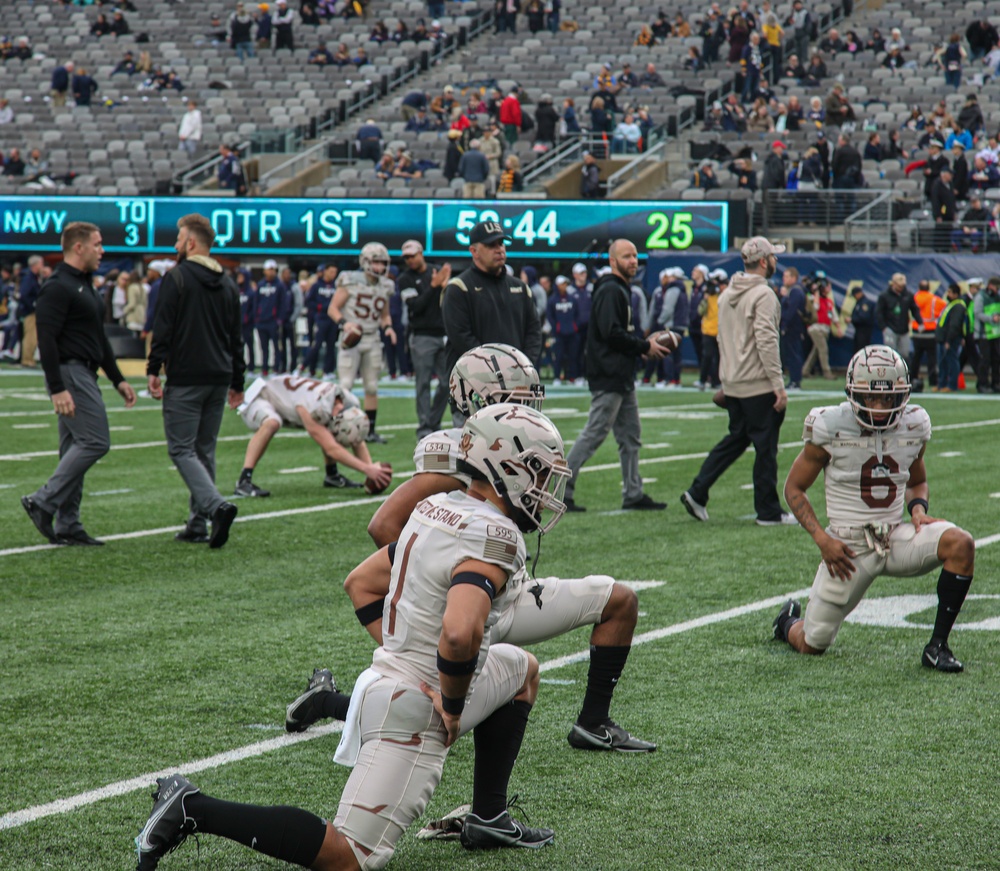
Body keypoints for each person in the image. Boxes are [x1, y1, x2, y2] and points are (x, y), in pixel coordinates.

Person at [135, 404, 568, 870]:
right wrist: (454, 705)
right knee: (350, 857)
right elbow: (460, 635)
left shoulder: (436, 507)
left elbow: (360, 582)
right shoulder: (494, 535)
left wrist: (403, 649)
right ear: (506, 467)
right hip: (418, 704)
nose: (544, 489)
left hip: (390, 680)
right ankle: (192, 809)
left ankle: (490, 816)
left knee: (522, 670)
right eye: (538, 473)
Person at [357, 345, 655, 754]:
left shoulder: (508, 444)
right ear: (482, 400)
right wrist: (443, 589)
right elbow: (385, 525)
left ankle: (594, 723)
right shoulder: (462, 454)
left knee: (620, 600)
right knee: (442, 688)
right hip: (477, 602)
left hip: (510, 590)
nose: (528, 409)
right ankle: (332, 702)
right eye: (518, 400)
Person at [773, 345, 975, 673]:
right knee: (812, 644)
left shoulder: (914, 424)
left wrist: (918, 510)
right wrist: (822, 540)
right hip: (847, 549)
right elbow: (794, 488)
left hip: (894, 537)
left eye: (889, 398)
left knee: (961, 544)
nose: (880, 408)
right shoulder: (830, 425)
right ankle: (786, 623)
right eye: (871, 398)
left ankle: (938, 647)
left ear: (903, 395)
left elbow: (916, 481)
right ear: (854, 393)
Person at [20, 222, 137, 547]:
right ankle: (43, 501)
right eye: (97, 245)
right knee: (96, 441)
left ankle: (68, 523)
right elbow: (47, 338)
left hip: (85, 372)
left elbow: (98, 339)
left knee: (74, 447)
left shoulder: (85, 285)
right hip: (70, 372)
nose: (103, 251)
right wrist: (57, 386)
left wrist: (118, 379)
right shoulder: (58, 286)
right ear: (78, 247)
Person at [680, 237, 794, 527]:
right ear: (764, 261)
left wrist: (726, 378)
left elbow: (723, 339)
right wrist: (778, 385)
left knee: (737, 439)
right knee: (765, 448)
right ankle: (768, 511)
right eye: (773, 257)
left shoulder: (729, 291)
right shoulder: (764, 294)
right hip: (757, 383)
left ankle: (697, 491)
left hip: (734, 382)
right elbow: (766, 340)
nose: (776, 262)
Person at [147, 214, 244, 549]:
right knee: (204, 449)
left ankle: (215, 507)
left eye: (178, 239)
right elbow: (236, 338)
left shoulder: (177, 278)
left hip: (187, 376)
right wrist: (238, 380)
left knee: (181, 448)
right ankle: (197, 523)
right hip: (219, 377)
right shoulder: (229, 282)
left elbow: (164, 328)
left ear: (190, 242)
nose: (175, 245)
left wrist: (153, 367)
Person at [562, 239, 667, 512]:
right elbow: (611, 333)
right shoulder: (611, 289)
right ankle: (561, 489)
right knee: (594, 433)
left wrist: (640, 346)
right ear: (612, 261)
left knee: (631, 435)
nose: (633, 260)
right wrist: (644, 346)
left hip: (621, 374)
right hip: (609, 373)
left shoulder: (620, 288)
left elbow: (619, 332)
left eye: (634, 255)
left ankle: (633, 492)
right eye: (626, 256)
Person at [441, 221, 543, 421]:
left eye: (502, 244)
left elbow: (534, 332)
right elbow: (462, 338)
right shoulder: (459, 288)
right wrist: (498, 372)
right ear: (474, 251)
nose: (499, 250)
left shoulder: (520, 288)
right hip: (474, 388)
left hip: (515, 387)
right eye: (491, 245)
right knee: (474, 450)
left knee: (517, 449)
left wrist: (523, 367)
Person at [233, 375, 391, 498]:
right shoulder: (314, 407)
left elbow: (356, 439)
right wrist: (367, 469)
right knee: (273, 423)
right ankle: (243, 480)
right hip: (260, 398)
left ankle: (332, 475)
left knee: (329, 426)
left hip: (289, 396)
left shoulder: (347, 402)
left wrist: (370, 471)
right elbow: (331, 448)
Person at [329, 242, 396, 443]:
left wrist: (388, 327)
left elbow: (384, 315)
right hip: (351, 338)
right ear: (365, 262)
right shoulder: (349, 280)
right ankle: (337, 425)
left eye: (382, 263)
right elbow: (332, 309)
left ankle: (371, 431)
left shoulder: (385, 286)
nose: (380, 267)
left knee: (372, 387)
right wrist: (345, 324)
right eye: (376, 262)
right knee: (346, 384)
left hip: (372, 337)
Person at [397, 240, 451, 439]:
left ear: (421, 253)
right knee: (423, 383)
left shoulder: (437, 271)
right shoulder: (405, 279)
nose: (410, 260)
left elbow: (448, 300)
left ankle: (434, 420)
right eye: (406, 258)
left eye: (413, 255)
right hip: (422, 336)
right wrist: (434, 287)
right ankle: (424, 425)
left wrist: (444, 287)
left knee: (447, 383)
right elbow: (416, 306)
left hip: (443, 334)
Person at [298, 263, 338, 378]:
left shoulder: (336, 286)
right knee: (316, 345)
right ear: (325, 271)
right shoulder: (316, 286)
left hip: (332, 319)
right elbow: (309, 302)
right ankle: (304, 367)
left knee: (331, 346)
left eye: (335, 272)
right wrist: (321, 307)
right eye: (331, 272)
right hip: (321, 319)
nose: (333, 274)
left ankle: (328, 371)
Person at [909, 279, 946, 388]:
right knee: (932, 359)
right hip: (930, 332)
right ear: (929, 288)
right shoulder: (934, 299)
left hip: (917, 332)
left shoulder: (913, 298)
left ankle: (912, 377)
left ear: (919, 288)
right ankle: (932, 380)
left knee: (916, 357)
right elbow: (945, 308)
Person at [253, 258, 287, 376]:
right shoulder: (261, 285)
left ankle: (276, 368)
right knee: (264, 348)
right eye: (269, 269)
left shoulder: (280, 285)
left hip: (273, 321)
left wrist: (279, 319)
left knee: (276, 347)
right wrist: (256, 317)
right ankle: (264, 369)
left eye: (273, 270)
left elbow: (283, 303)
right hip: (261, 321)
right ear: (265, 271)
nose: (271, 272)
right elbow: (256, 302)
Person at [875, 273, 920, 360]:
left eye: (902, 286)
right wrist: (883, 327)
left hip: (904, 329)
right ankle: (891, 373)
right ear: (894, 284)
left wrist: (920, 322)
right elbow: (879, 312)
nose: (901, 289)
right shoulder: (884, 296)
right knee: (890, 353)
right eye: (899, 286)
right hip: (890, 328)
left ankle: (904, 372)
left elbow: (914, 309)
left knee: (905, 353)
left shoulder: (908, 295)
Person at [803, 272, 837, 380]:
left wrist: (838, 327)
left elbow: (833, 315)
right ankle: (827, 372)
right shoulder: (812, 298)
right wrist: (816, 292)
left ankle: (805, 371)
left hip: (825, 329)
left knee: (816, 351)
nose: (828, 288)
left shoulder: (828, 301)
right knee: (823, 349)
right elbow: (815, 308)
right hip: (816, 328)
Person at [935, 284, 966, 392]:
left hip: (950, 339)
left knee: (952, 361)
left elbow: (954, 325)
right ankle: (941, 384)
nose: (947, 294)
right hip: (943, 338)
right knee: (942, 362)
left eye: (949, 292)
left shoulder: (958, 306)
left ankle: (952, 385)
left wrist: (948, 340)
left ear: (955, 294)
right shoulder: (951, 304)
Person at [779, 265, 806, 389]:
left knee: (793, 354)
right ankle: (793, 380)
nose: (784, 278)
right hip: (792, 327)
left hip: (793, 328)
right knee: (791, 354)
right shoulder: (793, 291)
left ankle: (795, 380)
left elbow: (791, 310)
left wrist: (784, 324)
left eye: (786, 276)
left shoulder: (796, 291)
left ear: (794, 277)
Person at [972, 275, 1000, 393]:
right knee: (985, 360)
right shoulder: (981, 297)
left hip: (995, 334)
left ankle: (996, 383)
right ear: (990, 285)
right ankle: (982, 384)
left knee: (996, 360)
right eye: (996, 287)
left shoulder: (997, 297)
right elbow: (977, 313)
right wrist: (991, 318)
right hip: (983, 334)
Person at [18, 255, 43, 368]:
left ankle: (29, 358)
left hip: (30, 310)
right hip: (29, 311)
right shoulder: (29, 278)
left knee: (33, 335)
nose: (42, 266)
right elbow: (24, 295)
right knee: (30, 336)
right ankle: (27, 360)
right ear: (35, 265)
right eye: (41, 264)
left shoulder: (33, 277)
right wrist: (33, 306)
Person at [850, 285, 875, 353]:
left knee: (861, 350)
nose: (854, 297)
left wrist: (852, 319)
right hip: (859, 330)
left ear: (859, 293)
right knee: (857, 349)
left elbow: (864, 317)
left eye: (855, 295)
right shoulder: (859, 302)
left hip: (864, 331)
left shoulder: (865, 303)